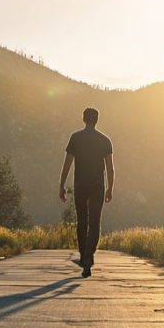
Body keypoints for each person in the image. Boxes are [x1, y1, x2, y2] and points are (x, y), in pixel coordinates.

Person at [59, 107, 114, 277]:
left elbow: (67, 164)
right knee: (95, 222)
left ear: (83, 119)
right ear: (97, 119)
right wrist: (110, 188)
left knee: (82, 222)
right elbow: (110, 168)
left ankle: (84, 257)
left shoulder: (76, 138)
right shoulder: (105, 140)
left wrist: (61, 185)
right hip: (97, 186)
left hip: (80, 185)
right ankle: (88, 258)